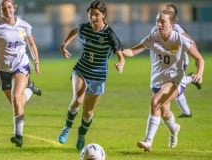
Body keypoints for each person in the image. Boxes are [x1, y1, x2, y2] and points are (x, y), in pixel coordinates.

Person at [123, 9, 204, 151]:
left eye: (162, 21)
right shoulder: (153, 37)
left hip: (175, 81)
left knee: (155, 102)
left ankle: (148, 141)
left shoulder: (179, 39)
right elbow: (134, 50)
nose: (159, 24)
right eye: (157, 21)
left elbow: (199, 58)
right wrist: (123, 52)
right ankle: (174, 129)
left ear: (172, 24)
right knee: (164, 112)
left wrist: (199, 73)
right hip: (157, 81)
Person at [58, 0, 125, 151]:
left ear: (103, 15)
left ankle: (81, 134)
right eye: (90, 14)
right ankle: (67, 128)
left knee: (88, 112)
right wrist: (64, 45)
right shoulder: (85, 28)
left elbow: (120, 54)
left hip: (98, 75)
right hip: (81, 69)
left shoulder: (109, 34)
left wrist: (121, 63)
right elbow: (75, 31)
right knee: (77, 99)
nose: (93, 18)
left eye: (96, 15)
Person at [0, 0, 41, 148]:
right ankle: (30, 90)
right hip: (1, 70)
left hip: (21, 66)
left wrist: (36, 62)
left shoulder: (24, 25)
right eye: (3, 8)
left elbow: (31, 44)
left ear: (14, 8)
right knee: (16, 103)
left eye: (9, 7)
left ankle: (18, 137)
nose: (7, 10)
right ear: (0, 10)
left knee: (16, 97)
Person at [150, 3, 201, 118]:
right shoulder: (157, 26)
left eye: (170, 12)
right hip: (165, 63)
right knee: (173, 90)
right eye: (166, 10)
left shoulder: (177, 28)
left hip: (179, 61)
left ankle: (192, 79)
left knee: (174, 88)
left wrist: (196, 57)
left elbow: (191, 42)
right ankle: (186, 112)